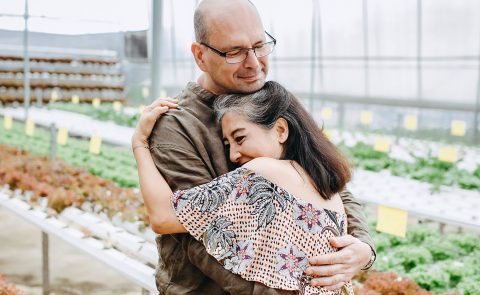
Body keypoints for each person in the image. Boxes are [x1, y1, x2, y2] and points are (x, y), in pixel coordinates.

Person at [146, 0, 375, 294]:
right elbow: (199, 234)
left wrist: (363, 249)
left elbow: (325, 177)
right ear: (200, 55)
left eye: (259, 45)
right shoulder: (177, 125)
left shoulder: (266, 99)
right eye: (235, 52)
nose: (254, 62)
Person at [132, 81, 355, 294]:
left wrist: (140, 143)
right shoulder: (327, 188)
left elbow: (163, 217)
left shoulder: (264, 172)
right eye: (228, 144)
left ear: (280, 130)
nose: (233, 155)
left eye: (240, 138)